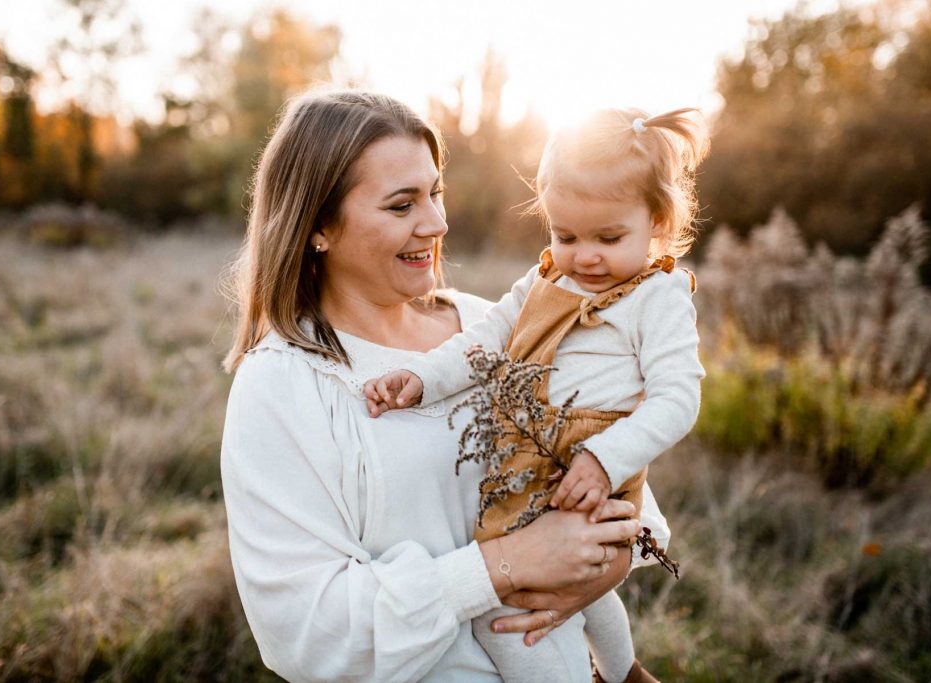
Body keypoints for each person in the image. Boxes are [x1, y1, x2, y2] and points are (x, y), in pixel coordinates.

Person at [219, 89, 667, 682]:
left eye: (435, 193)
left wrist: (604, 566)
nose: (437, 223)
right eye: (402, 205)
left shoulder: (497, 328)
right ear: (318, 226)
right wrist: (504, 565)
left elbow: (628, 494)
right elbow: (306, 633)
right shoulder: (282, 386)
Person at [363, 108, 709, 682]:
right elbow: (486, 341)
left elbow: (678, 399)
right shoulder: (547, 280)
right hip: (528, 456)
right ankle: (624, 674)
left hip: (596, 462)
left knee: (514, 610)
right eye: (564, 235)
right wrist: (423, 378)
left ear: (658, 221)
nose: (585, 256)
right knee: (574, 586)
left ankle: (606, 671)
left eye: (609, 236)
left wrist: (605, 458)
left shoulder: (660, 296)